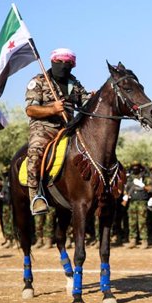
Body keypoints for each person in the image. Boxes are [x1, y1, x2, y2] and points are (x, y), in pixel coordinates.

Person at [25, 48, 91, 214]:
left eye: (67, 63)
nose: (63, 66)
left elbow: (86, 103)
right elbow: (31, 110)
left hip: (68, 127)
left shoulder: (74, 84)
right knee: (35, 152)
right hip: (44, 128)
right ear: (52, 62)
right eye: (59, 62)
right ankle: (35, 196)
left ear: (72, 65)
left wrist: (94, 98)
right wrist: (52, 109)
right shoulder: (39, 81)